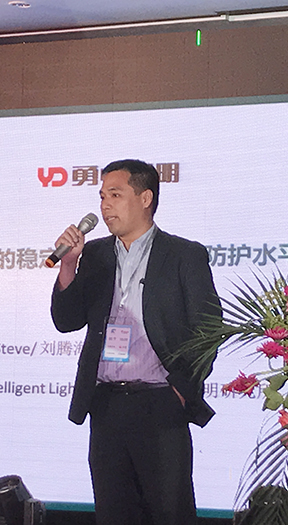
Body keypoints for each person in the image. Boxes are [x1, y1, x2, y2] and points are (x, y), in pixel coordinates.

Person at [51, 159, 220, 525]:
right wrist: (68, 266)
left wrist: (181, 390)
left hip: (160, 404)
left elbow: (208, 330)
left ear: (145, 198)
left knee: (169, 512)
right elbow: (67, 321)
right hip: (107, 405)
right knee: (114, 512)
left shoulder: (183, 255)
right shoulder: (95, 255)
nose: (105, 205)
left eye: (115, 195)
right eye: (102, 197)